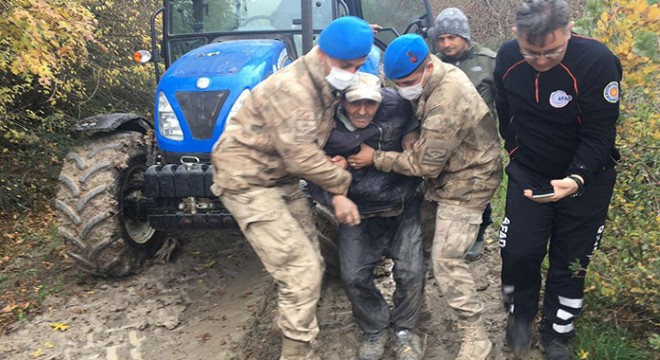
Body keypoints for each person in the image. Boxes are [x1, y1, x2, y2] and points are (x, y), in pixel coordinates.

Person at [210, 16, 373, 360]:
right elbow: (301, 157)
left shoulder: (324, 79)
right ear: (323, 52)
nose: (352, 72)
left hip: (278, 177)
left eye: (358, 66)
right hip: (247, 181)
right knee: (301, 270)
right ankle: (298, 352)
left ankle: (290, 320)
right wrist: (341, 188)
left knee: (310, 255)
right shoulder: (294, 90)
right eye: (347, 65)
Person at [348, 34, 502, 360]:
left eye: (406, 82)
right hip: (448, 174)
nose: (402, 89)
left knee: (445, 261)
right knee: (422, 244)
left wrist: (373, 158)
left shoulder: (447, 98)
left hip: (467, 180)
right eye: (396, 83)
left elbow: (424, 165)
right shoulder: (435, 78)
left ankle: (475, 337)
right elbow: (418, 116)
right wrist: (414, 130)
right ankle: (418, 312)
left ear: (427, 66)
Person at [493, 1, 622, 359]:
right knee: (519, 251)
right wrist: (513, 147)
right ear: (517, 38)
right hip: (530, 171)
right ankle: (520, 316)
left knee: (572, 259)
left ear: (570, 30)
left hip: (586, 177)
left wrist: (577, 178)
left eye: (552, 51)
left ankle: (558, 331)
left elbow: (600, 134)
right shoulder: (506, 58)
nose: (541, 59)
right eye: (531, 52)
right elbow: (504, 107)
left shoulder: (597, 62)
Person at [311, 51, 425, 360]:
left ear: (380, 98)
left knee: (412, 272)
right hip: (359, 211)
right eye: (355, 102)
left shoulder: (397, 107)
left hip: (402, 205)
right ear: (341, 101)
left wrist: (413, 134)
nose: (363, 110)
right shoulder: (323, 124)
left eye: (370, 103)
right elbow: (310, 173)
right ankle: (374, 327)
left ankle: (404, 329)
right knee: (353, 275)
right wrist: (336, 194)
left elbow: (416, 121)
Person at [428, 7, 498, 261]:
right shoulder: (433, 64)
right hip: (444, 141)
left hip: (478, 143)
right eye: (441, 38)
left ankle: (478, 233)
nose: (446, 44)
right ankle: (441, 237)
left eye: (452, 37)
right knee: (441, 187)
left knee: (477, 191)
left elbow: (505, 101)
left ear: (465, 36)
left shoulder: (488, 61)